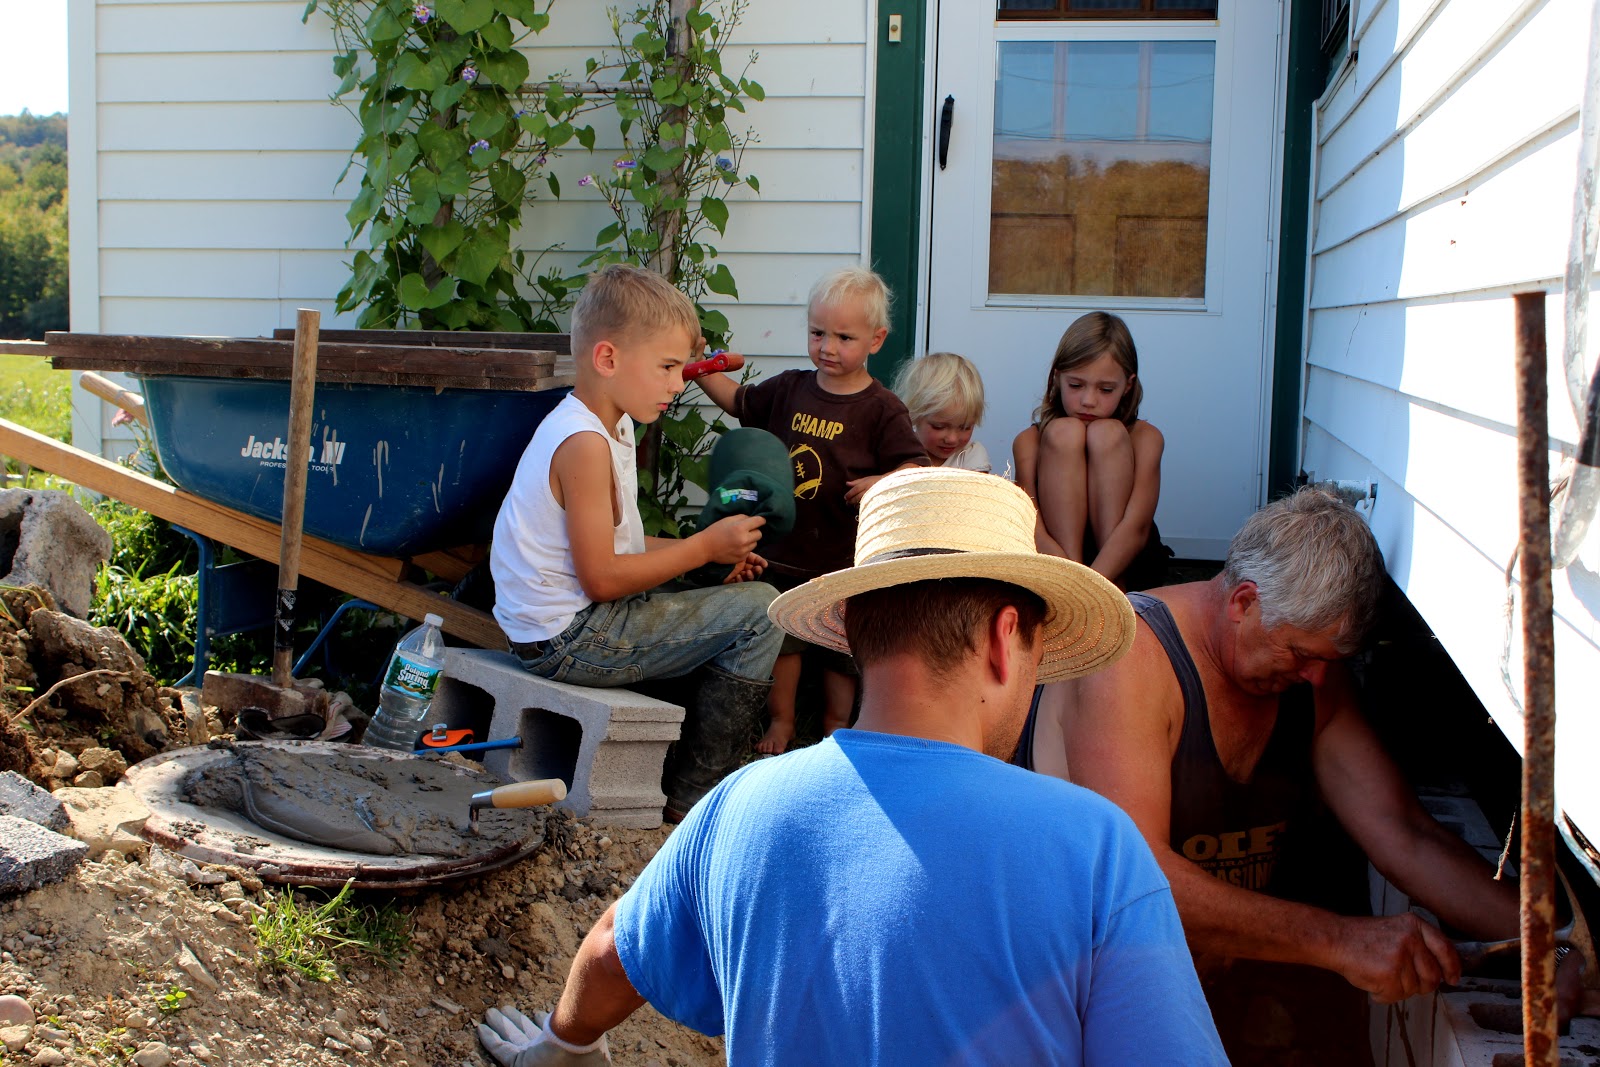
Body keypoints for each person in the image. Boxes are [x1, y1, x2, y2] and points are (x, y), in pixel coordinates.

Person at [478, 468, 1229, 1067]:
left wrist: (565, 1047)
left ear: (854, 631)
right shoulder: (1095, 848)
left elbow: (614, 949)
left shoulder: (739, 805)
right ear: (1006, 640)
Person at [1020, 488, 1536, 1061]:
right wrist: (1340, 940)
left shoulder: (1310, 676)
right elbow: (1137, 883)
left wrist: (1548, 942)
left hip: (1203, 979)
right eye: (1299, 652)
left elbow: (1404, 834)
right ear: (1243, 601)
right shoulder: (1130, 657)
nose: (1315, 677)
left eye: (1329, 660)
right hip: (1076, 984)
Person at [489, 264, 784, 821]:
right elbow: (602, 578)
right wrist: (702, 548)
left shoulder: (607, 424)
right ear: (607, 359)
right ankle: (696, 798)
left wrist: (708, 554)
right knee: (762, 614)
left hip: (558, 627)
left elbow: (621, 542)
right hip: (570, 638)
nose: (679, 383)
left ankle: (677, 764)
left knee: (727, 592)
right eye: (667, 367)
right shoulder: (583, 444)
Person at [697, 267, 926, 755]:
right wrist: (699, 369)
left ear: (876, 340)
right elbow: (738, 402)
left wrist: (880, 481)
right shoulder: (789, 389)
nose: (827, 347)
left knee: (840, 652)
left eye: (844, 337)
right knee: (784, 644)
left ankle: (835, 729)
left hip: (842, 561)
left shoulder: (882, 409)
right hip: (780, 553)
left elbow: (915, 467)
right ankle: (782, 721)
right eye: (818, 333)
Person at [1013, 311, 1168, 590]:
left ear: (1127, 385)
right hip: (1058, 570)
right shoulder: (1028, 442)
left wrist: (1097, 587)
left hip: (1126, 561)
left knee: (1108, 433)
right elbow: (1032, 529)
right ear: (1057, 378)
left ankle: (1113, 589)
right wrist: (1076, 587)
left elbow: (1137, 528)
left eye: (1105, 389)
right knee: (1063, 432)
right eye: (1076, 385)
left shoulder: (1146, 438)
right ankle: (1075, 589)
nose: (1088, 400)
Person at [893, 350, 992, 472]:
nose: (952, 439)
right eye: (938, 427)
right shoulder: (897, 451)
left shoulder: (971, 455)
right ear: (913, 414)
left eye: (965, 427)